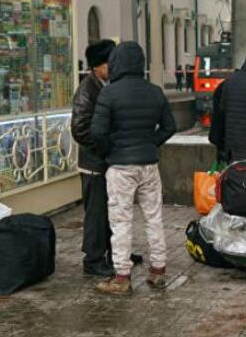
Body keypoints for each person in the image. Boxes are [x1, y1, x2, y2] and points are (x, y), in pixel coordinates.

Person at [91, 41, 176, 295]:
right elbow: (170, 127)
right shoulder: (155, 91)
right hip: (149, 166)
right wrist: (151, 143)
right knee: (154, 218)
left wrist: (111, 151)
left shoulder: (109, 93)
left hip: (121, 168)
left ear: (116, 62)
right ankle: (158, 271)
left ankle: (122, 277)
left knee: (121, 221)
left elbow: (97, 132)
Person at [71, 39, 116, 277]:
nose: (112, 68)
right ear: (97, 66)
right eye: (109, 64)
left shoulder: (104, 85)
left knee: (109, 211)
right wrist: (101, 147)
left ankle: (112, 251)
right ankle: (93, 259)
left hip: (104, 161)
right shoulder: (88, 89)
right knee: (96, 214)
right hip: (93, 163)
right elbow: (79, 129)